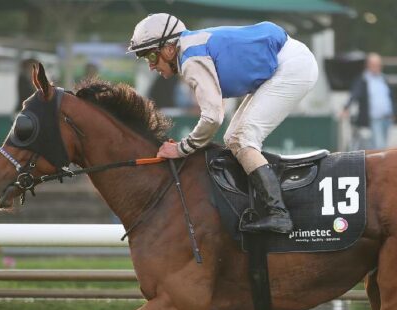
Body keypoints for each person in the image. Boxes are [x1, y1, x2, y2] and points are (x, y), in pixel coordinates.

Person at [128, 13, 318, 234]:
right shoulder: (189, 49)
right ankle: (265, 206)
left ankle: (279, 215)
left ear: (169, 48)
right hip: (286, 61)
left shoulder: (190, 59)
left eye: (151, 57)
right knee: (233, 138)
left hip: (291, 66)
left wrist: (182, 149)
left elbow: (212, 117)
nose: (151, 66)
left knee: (244, 138)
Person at [341, 52, 394, 150]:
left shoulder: (384, 78)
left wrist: (393, 112)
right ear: (368, 65)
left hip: (386, 118)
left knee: (383, 146)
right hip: (374, 119)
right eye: (374, 64)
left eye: (378, 64)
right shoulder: (363, 79)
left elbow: (389, 97)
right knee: (379, 147)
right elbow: (354, 94)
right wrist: (346, 107)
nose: (376, 67)